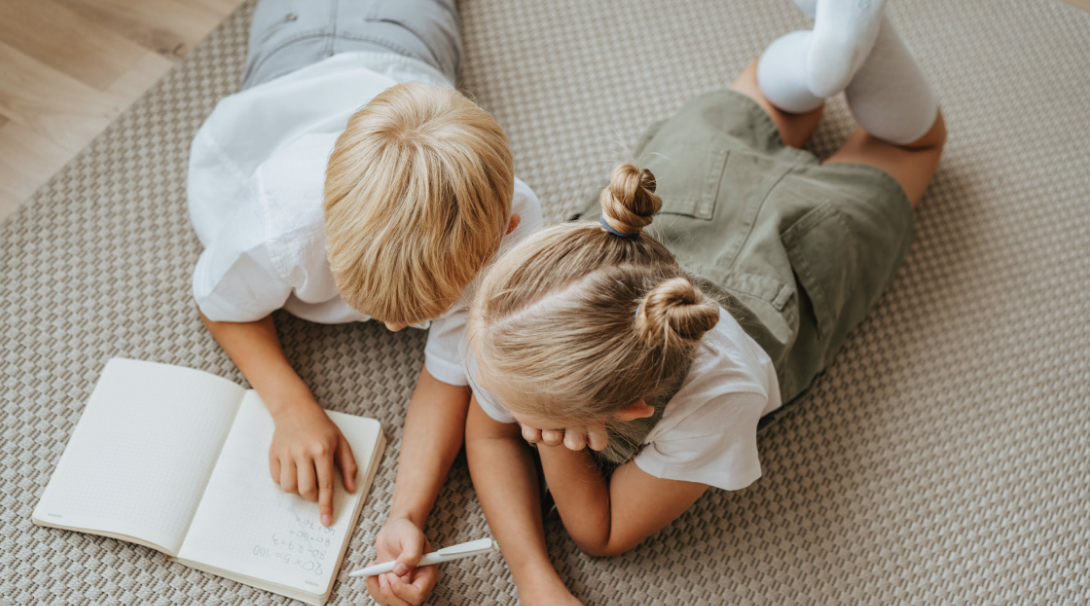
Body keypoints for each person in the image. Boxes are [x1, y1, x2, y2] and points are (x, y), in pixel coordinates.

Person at [462, 1, 946, 603]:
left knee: (916, 145)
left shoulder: (719, 397)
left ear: (637, 408)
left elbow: (601, 531)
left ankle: (831, 59)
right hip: (693, 185)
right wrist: (534, 573)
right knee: (769, 103)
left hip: (802, 253)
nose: (483, 389)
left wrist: (550, 443)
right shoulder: (516, 318)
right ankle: (821, 63)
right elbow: (485, 436)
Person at [185, 1, 541, 604]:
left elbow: (448, 373)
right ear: (326, 229)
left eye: (419, 313)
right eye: (375, 305)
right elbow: (218, 303)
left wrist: (407, 514)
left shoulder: (512, 227)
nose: (398, 328)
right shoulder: (284, 218)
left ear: (502, 230)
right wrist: (290, 403)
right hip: (294, 47)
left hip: (408, 38)